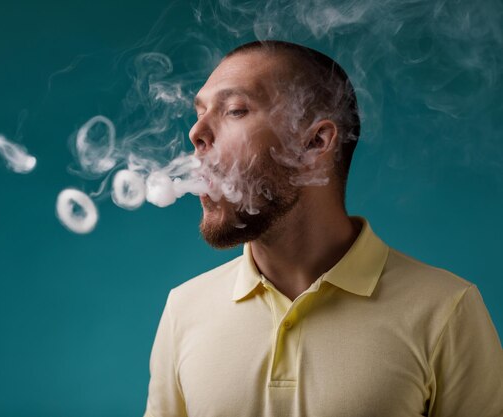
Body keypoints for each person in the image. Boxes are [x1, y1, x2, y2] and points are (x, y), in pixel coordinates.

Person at [143, 40, 503, 417]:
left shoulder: (446, 309)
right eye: (199, 113)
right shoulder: (184, 309)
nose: (196, 133)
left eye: (234, 110)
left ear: (315, 143)